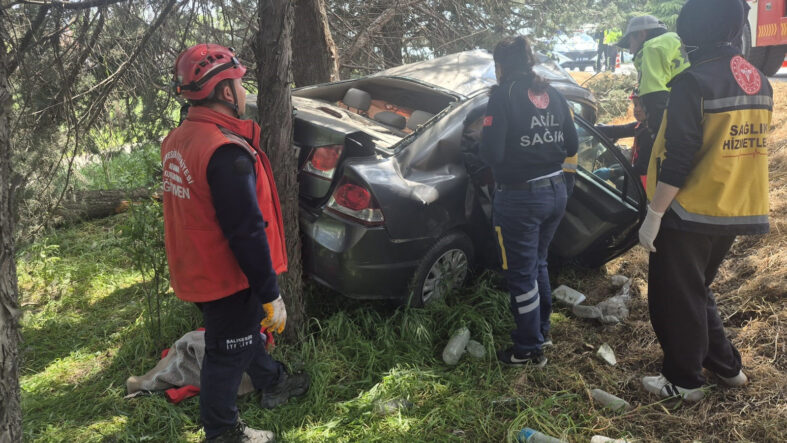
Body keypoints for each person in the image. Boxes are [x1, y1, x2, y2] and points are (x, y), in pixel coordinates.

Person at [162, 44, 310, 441]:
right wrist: (268, 291)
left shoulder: (181, 138)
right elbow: (245, 230)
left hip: (197, 267)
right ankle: (223, 431)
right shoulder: (226, 153)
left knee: (242, 334)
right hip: (228, 276)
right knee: (227, 354)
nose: (245, 92)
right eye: (240, 84)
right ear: (226, 92)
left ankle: (272, 380)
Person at [638, 0, 772, 401]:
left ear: (698, 30)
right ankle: (727, 367)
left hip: (689, 209)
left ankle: (684, 381)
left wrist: (655, 213)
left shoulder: (693, 82)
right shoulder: (757, 79)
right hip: (735, 205)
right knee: (695, 290)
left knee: (672, 298)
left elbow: (679, 156)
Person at [480, 36, 579, 367]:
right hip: (556, 190)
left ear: (501, 66)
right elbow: (572, 144)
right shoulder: (554, 94)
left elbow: (491, 154)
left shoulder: (503, 95)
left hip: (520, 197)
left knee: (521, 274)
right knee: (538, 263)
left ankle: (527, 349)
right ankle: (542, 331)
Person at [616, 15, 690, 140]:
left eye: (630, 43)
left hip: (677, 128)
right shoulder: (677, 42)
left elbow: (654, 98)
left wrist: (658, 139)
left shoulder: (652, 49)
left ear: (641, 34)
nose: (630, 52)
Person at [595, 89, 651, 188]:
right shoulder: (641, 126)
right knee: (614, 167)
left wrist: (613, 172)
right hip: (640, 172)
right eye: (635, 105)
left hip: (646, 182)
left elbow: (642, 168)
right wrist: (594, 129)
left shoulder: (649, 133)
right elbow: (618, 130)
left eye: (641, 105)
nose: (636, 109)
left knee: (621, 181)